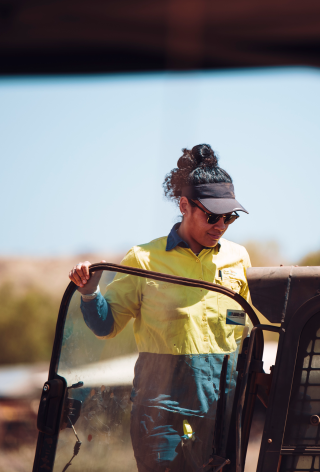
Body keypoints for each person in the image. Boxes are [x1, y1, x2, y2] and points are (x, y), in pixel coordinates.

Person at [69, 144, 252, 472]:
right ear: (184, 205)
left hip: (220, 408)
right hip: (161, 411)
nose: (221, 225)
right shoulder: (143, 259)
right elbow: (106, 326)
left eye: (230, 217)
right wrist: (89, 293)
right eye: (212, 215)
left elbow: (246, 330)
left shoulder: (238, 258)